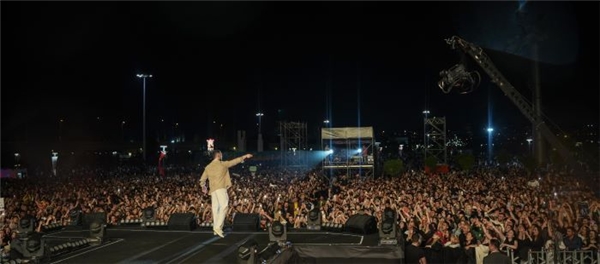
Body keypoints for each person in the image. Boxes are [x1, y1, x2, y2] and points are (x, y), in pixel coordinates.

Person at [200, 150, 253, 238]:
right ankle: (217, 227)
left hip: (213, 190)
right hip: (220, 188)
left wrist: (203, 187)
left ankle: (216, 228)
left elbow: (202, 179)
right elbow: (234, 161)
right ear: (219, 155)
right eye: (221, 154)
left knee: (216, 209)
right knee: (224, 206)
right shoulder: (222, 164)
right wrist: (245, 156)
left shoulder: (208, 167)